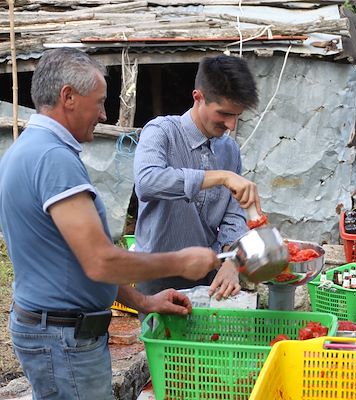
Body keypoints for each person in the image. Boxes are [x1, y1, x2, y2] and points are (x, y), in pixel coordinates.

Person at [0, 48, 221, 400]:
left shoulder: (28, 149)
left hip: (57, 331)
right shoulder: (51, 158)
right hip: (65, 339)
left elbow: (77, 260)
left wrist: (143, 301)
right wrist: (181, 261)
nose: (104, 114)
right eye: (100, 102)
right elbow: (101, 260)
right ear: (68, 97)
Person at [133, 55, 260, 305]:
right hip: (157, 274)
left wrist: (232, 260)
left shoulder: (229, 150)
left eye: (237, 116)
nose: (231, 125)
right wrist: (220, 177)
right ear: (198, 97)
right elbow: (147, 181)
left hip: (208, 276)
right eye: (224, 113)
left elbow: (233, 215)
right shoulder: (161, 132)